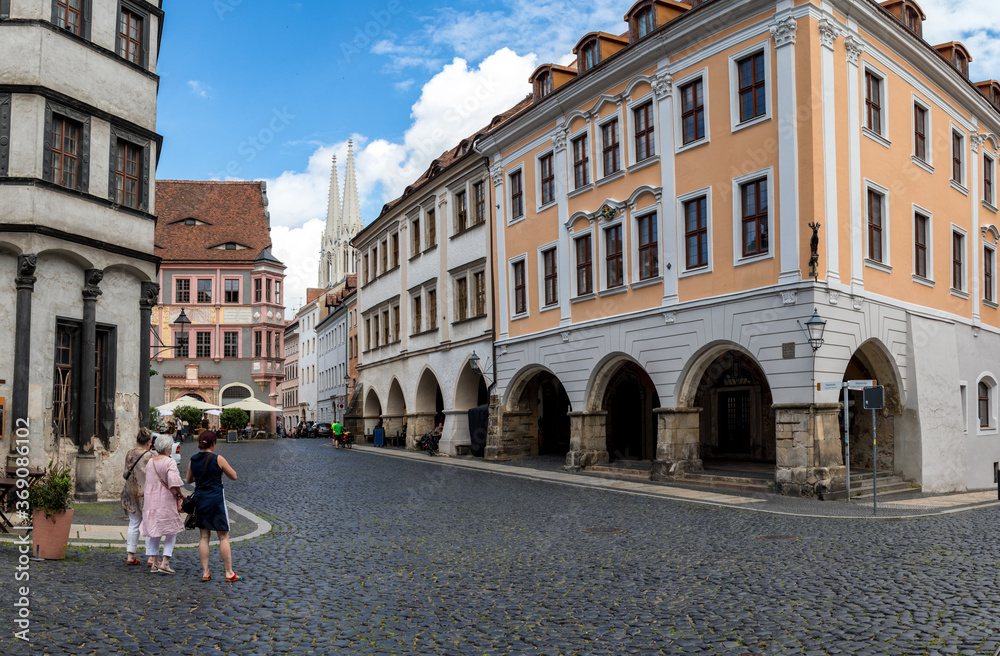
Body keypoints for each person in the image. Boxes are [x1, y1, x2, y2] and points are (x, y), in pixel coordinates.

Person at [186, 430, 241, 582]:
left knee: (204, 536)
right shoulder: (218, 459)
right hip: (216, 501)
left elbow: (189, 480)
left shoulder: (193, 459)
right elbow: (234, 476)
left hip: (200, 501)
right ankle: (229, 572)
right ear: (213, 444)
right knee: (223, 536)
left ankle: (205, 572)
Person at [141, 435, 186, 574]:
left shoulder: (151, 462)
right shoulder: (169, 462)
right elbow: (173, 481)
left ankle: (154, 562)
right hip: (165, 500)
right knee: (170, 531)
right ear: (168, 449)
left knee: (154, 531)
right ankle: (165, 562)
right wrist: (180, 493)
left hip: (151, 500)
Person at [121, 428, 154, 567]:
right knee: (148, 524)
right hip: (145, 493)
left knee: (133, 523)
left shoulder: (129, 453)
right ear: (148, 442)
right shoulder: (150, 456)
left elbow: (124, 474)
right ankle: (151, 557)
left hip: (130, 491)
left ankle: (131, 555)